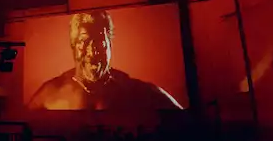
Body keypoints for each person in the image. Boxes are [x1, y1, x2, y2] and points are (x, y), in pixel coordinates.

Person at [26, 10, 182, 111]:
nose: (92, 50)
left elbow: (185, 120)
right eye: (85, 41)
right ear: (73, 45)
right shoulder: (50, 93)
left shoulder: (133, 89)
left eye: (100, 41)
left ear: (110, 44)